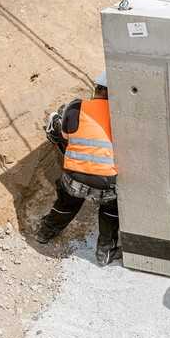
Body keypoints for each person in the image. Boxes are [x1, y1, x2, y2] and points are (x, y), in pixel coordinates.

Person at [37, 71, 121, 266]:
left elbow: (65, 137)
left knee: (68, 202)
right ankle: (105, 252)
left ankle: (45, 233)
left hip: (74, 177)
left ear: (97, 89)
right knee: (110, 209)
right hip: (106, 183)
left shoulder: (76, 107)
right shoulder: (122, 115)